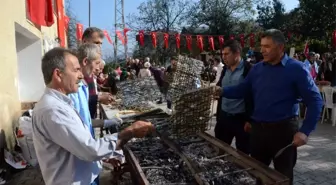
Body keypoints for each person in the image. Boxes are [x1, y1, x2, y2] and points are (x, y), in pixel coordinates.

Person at [32, 47, 154, 185]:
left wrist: (101, 157)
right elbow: (89, 149)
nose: (81, 75)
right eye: (76, 70)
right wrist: (129, 132)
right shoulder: (53, 110)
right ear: (58, 75)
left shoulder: (61, 103)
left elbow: (75, 144)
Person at [216, 29, 323, 184]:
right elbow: (243, 90)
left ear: (280, 47)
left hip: (284, 132)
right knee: (257, 174)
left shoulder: (297, 69)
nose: (262, 50)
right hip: (258, 132)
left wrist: (305, 131)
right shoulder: (257, 69)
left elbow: (315, 101)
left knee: (283, 176)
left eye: (267, 46)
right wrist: (222, 91)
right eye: (261, 46)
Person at [215, 40, 253, 155]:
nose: (224, 58)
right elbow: (220, 86)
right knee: (220, 149)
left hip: (241, 119)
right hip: (224, 116)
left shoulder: (249, 69)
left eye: (227, 54)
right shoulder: (225, 69)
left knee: (243, 153)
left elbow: (252, 94)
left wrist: (250, 119)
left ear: (237, 53)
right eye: (222, 55)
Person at [82, 27, 112, 118]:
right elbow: (76, 97)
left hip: (90, 115)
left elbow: (90, 88)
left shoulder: (91, 63)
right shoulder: (75, 65)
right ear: (84, 42)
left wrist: (100, 93)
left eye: (101, 44)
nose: (99, 46)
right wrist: (98, 97)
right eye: (96, 43)